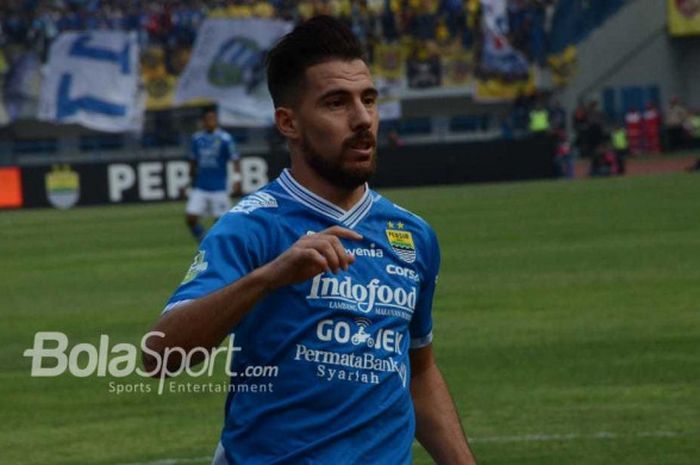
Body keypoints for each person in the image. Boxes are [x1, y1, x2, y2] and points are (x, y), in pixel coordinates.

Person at [143, 16, 478, 465]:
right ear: (289, 123)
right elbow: (159, 357)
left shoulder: (414, 236)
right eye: (337, 103)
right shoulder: (251, 226)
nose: (362, 119)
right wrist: (268, 278)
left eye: (369, 100)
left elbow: (419, 372)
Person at [185, 108, 240, 242]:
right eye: (209, 119)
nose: (212, 122)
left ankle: (220, 244)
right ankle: (202, 238)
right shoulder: (197, 139)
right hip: (201, 186)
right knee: (191, 217)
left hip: (219, 187)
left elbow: (235, 159)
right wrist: (189, 180)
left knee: (220, 222)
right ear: (203, 122)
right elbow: (193, 160)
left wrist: (237, 180)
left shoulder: (225, 138)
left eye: (214, 119)